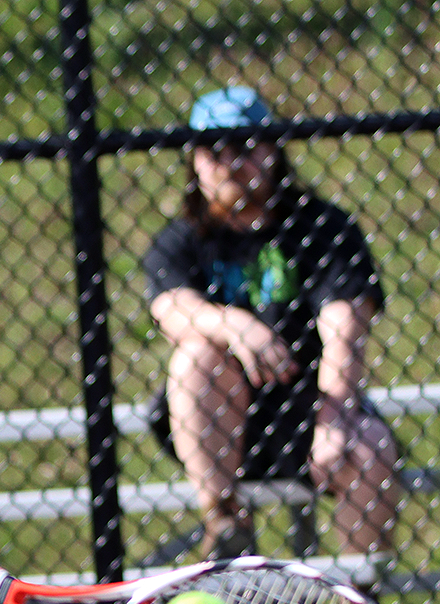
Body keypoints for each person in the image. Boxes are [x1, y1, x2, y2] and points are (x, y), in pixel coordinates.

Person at [145, 86, 397, 561]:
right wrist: (234, 324)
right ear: (194, 161)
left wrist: (335, 415)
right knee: (197, 355)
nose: (229, 162)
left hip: (310, 407)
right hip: (221, 422)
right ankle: (224, 518)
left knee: (372, 448)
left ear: (272, 151)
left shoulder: (321, 226)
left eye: (243, 146)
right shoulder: (182, 237)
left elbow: (345, 323)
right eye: (212, 150)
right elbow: (172, 308)